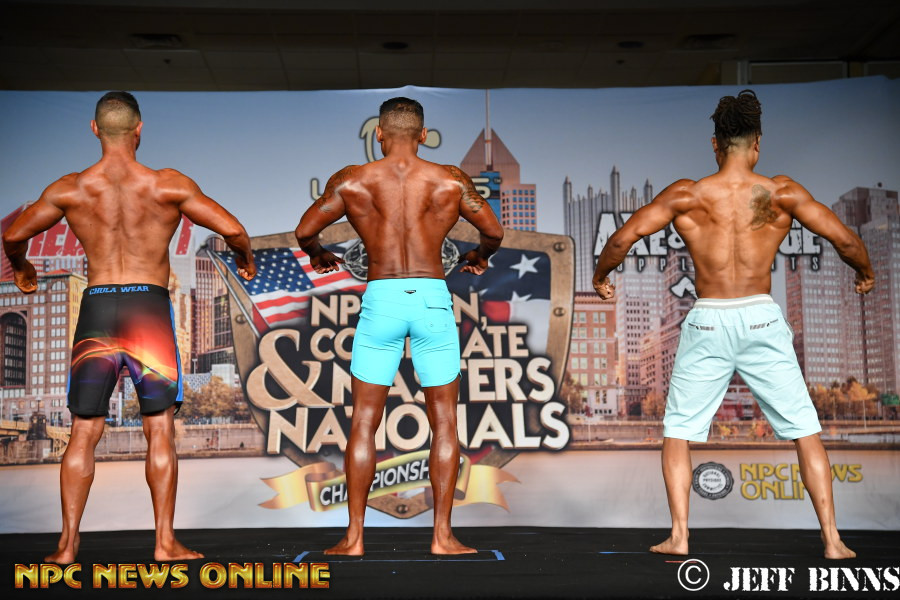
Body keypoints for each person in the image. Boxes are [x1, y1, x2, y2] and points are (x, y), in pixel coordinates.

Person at [592, 90, 873, 560]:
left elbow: (622, 239)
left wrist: (601, 277)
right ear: (757, 143)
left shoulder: (688, 195)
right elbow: (844, 239)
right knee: (805, 429)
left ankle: (679, 536)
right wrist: (865, 273)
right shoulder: (781, 193)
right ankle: (833, 540)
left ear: (715, 144)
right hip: (761, 317)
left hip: (708, 320)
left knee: (679, 429)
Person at [2, 91, 256, 564]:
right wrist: (244, 258)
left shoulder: (70, 189)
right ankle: (164, 543)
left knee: (83, 430)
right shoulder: (168, 184)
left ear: (94, 129)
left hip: (98, 309)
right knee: (159, 429)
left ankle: (66, 546)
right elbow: (234, 229)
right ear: (139, 130)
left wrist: (22, 267)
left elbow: (13, 234)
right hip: (148, 312)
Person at [294, 97, 503, 555]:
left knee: (363, 422)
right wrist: (480, 255)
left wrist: (318, 254)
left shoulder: (352, 180)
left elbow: (305, 230)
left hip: (382, 299)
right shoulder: (450, 180)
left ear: (379, 134)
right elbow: (493, 230)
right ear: (423, 135)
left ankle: (353, 538)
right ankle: (442, 537)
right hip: (431, 298)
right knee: (444, 423)